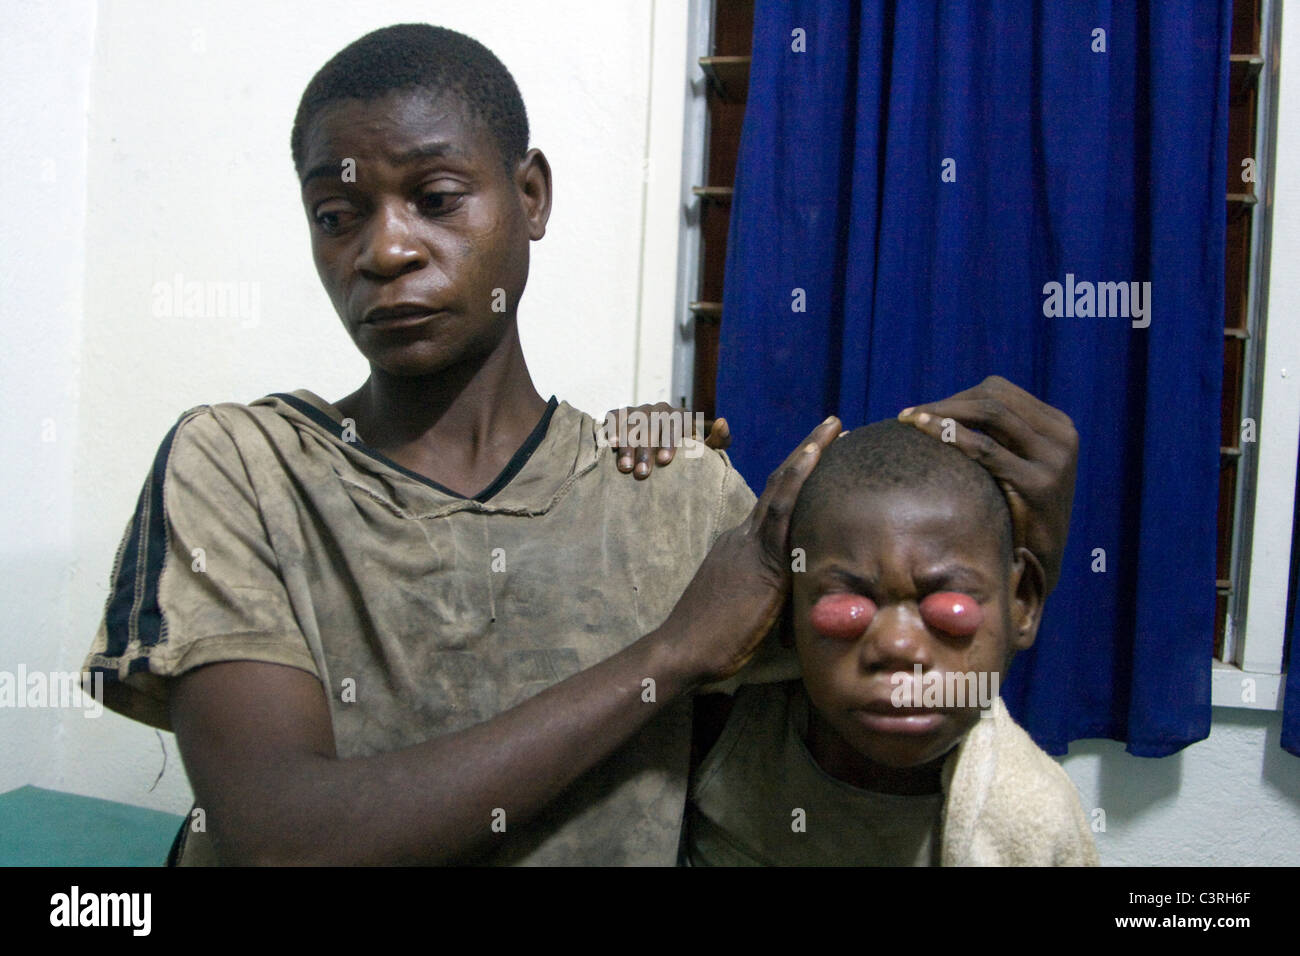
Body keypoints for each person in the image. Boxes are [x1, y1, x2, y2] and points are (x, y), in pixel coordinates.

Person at [82, 23, 1079, 865]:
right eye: (336, 215)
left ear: (531, 198)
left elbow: (863, 747)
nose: (383, 251)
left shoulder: (680, 498)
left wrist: (1015, 544)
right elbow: (278, 835)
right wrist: (671, 651)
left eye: (435, 198)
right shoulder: (245, 467)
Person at [685, 420, 1099, 866]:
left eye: (947, 602)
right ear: (785, 607)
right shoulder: (725, 729)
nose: (898, 646)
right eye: (845, 602)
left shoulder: (1038, 818)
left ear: (1023, 602)